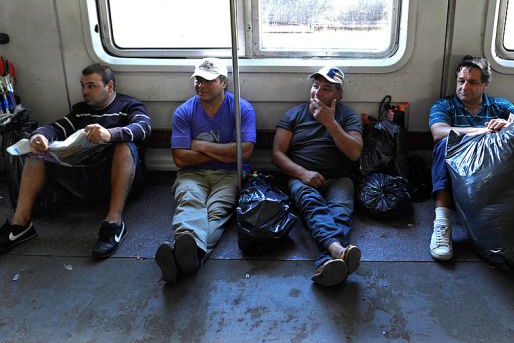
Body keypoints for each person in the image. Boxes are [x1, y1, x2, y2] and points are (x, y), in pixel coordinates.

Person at [0, 63, 151, 258]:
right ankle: (20, 224)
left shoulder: (129, 106)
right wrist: (40, 136)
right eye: (83, 86)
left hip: (120, 180)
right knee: (36, 153)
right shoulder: (81, 111)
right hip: (84, 177)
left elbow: (143, 127)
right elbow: (56, 127)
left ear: (110, 86)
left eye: (91, 85)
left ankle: (114, 222)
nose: (85, 91)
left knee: (124, 146)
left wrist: (109, 134)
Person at [155, 58, 256, 284]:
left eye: (208, 81)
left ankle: (183, 255)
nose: (201, 85)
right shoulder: (184, 111)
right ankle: (193, 256)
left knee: (217, 211)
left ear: (223, 82)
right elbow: (180, 158)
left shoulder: (242, 108)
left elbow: (245, 152)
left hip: (230, 174)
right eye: (198, 79)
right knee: (190, 202)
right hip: (192, 173)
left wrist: (200, 145)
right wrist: (226, 150)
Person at [271, 65, 363, 286]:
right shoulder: (294, 114)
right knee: (313, 205)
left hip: (339, 177)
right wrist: (302, 173)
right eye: (315, 86)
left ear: (338, 94)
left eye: (326, 89)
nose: (317, 93)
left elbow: (354, 152)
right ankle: (337, 251)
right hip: (302, 177)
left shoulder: (348, 116)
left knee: (340, 213)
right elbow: (277, 154)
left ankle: (326, 262)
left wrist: (329, 122)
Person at [428, 55, 514, 261]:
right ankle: (442, 224)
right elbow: (438, 132)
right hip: (460, 170)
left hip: (495, 169)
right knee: (443, 145)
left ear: (485, 85)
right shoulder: (445, 105)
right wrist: (482, 131)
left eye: (472, 82)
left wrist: (506, 126)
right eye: (461, 81)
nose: (464, 86)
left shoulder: (501, 107)